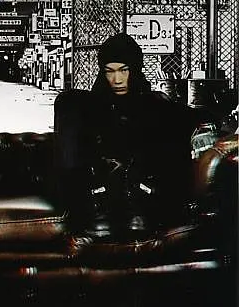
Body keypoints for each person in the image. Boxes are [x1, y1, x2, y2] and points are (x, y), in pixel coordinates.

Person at [53, 32, 193, 241]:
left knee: (164, 115)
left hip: (141, 190)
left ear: (134, 70)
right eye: (109, 71)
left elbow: (190, 120)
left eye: (123, 70)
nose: (117, 80)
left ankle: (133, 204)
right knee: (68, 102)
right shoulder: (87, 106)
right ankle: (95, 205)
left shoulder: (156, 105)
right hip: (96, 187)